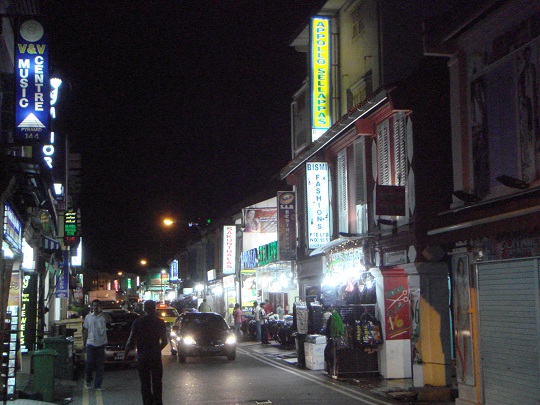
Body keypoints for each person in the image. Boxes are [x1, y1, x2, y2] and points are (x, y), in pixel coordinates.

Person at [124, 300, 168, 405]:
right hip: (155, 357)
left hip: (143, 357)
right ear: (154, 309)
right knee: (157, 383)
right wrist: (157, 349)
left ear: (144, 309)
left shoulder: (138, 322)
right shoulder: (160, 322)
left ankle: (147, 402)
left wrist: (125, 354)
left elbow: (131, 340)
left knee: (145, 383)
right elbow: (165, 341)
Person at [83, 299, 108, 390]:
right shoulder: (88, 317)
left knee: (100, 366)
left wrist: (103, 313)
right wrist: (84, 343)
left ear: (100, 307)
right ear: (92, 307)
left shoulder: (104, 317)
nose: (95, 307)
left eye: (97, 306)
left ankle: (98, 385)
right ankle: (88, 380)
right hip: (90, 343)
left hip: (101, 344)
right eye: (94, 306)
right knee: (89, 364)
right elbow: (85, 330)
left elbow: (110, 320)